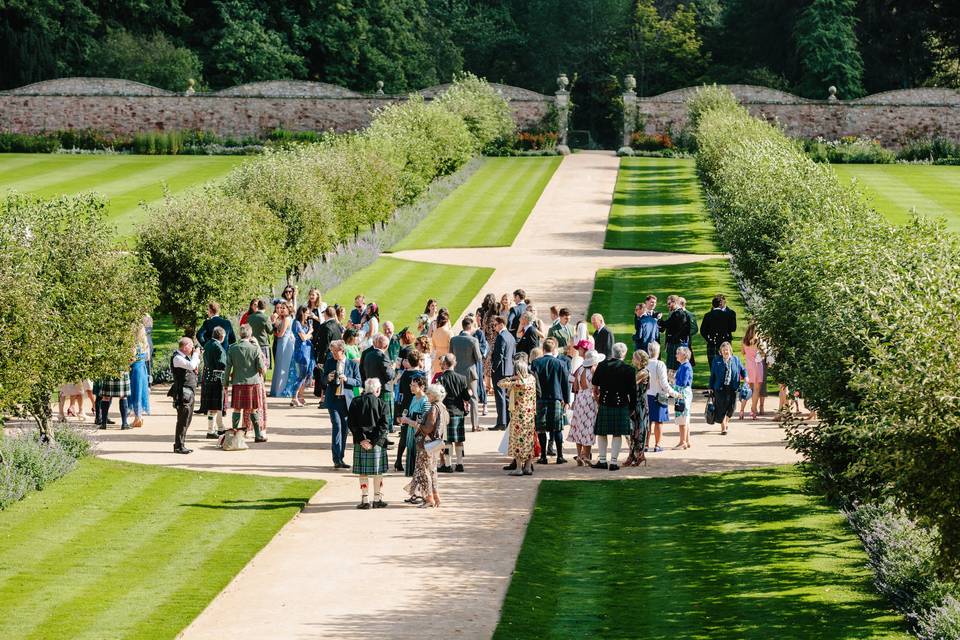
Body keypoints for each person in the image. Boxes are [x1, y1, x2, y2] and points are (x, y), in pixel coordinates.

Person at [590, 342, 636, 471]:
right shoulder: (629, 369)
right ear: (624, 354)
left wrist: (598, 399)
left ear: (612, 352)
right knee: (617, 434)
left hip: (604, 402)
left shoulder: (602, 365)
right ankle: (614, 462)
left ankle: (603, 460)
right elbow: (632, 392)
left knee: (602, 433)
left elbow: (595, 384)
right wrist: (632, 408)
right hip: (621, 404)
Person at [403, 384, 448, 507]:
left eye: (429, 393)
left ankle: (429, 499)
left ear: (434, 395)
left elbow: (428, 427)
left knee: (423, 471)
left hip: (427, 443)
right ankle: (435, 497)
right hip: (436, 443)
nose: (427, 395)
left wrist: (418, 425)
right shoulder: (442, 406)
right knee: (432, 470)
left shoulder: (434, 407)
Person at [349, 378, 390, 509]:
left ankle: (365, 500)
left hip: (360, 442)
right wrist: (373, 441)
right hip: (377, 443)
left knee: (363, 472)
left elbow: (351, 423)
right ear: (377, 390)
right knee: (378, 471)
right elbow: (384, 426)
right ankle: (377, 499)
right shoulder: (382, 403)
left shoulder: (355, 402)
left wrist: (361, 439)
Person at [530, 338, 571, 464]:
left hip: (540, 398)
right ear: (554, 350)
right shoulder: (560, 363)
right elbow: (565, 383)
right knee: (557, 428)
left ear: (543, 349)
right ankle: (559, 456)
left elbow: (533, 382)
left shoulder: (536, 363)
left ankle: (543, 456)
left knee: (541, 429)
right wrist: (566, 399)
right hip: (556, 398)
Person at [225, 325, 268, 444]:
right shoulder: (255, 349)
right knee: (254, 409)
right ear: (250, 335)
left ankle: (234, 434)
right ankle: (258, 435)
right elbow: (261, 368)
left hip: (238, 383)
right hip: (253, 383)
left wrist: (225, 384)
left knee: (237, 409)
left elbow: (228, 367)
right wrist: (263, 370)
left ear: (240, 334)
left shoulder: (233, 348)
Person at [323, 340, 361, 468]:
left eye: (335, 352)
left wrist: (347, 379)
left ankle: (341, 458)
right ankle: (336, 459)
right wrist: (328, 378)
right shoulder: (329, 362)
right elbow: (322, 379)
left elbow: (358, 382)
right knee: (337, 426)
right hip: (333, 400)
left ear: (342, 351)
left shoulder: (352, 365)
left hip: (346, 401)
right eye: (332, 352)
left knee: (344, 429)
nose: (333, 354)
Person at [498, 353, 537, 476]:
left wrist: (511, 378)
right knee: (529, 441)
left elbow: (500, 383)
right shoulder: (531, 379)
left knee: (518, 441)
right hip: (530, 415)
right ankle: (528, 467)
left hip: (518, 415)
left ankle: (519, 468)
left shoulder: (517, 383)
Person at [568, 348, 603, 466]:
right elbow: (595, 389)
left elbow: (576, 386)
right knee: (588, 427)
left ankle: (579, 455)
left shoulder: (580, 369)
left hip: (580, 398)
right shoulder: (594, 370)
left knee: (578, 427)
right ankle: (586, 456)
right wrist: (599, 401)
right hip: (589, 399)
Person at [436, 353, 470, 473]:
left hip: (446, 412)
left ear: (444, 364)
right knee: (459, 440)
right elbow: (466, 397)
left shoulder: (440, 379)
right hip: (458, 411)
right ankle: (460, 464)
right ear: (454, 363)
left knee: (447, 440)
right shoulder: (462, 378)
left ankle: (448, 465)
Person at [394, 351, 427, 472]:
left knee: (404, 435)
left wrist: (398, 412)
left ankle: (398, 460)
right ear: (418, 361)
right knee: (417, 434)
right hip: (417, 406)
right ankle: (414, 462)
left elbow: (400, 393)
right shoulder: (420, 375)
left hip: (405, 407)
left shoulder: (403, 375)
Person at [450, 317, 483, 431]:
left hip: (457, 372)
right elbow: (479, 358)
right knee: (473, 398)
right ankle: (475, 425)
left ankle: (458, 424)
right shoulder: (473, 340)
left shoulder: (454, 340)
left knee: (457, 397)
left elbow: (450, 356)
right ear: (470, 327)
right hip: (470, 372)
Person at [644, 341, 678, 452]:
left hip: (646, 396)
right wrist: (674, 393)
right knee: (658, 421)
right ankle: (657, 445)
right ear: (658, 352)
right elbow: (664, 384)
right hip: (658, 396)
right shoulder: (660, 364)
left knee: (647, 421)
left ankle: (646, 445)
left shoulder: (645, 364)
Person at [169, 336, 200, 453]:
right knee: (183, 419)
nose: (192, 349)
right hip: (183, 393)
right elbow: (192, 365)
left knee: (187, 419)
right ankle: (179, 446)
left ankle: (180, 444)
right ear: (185, 346)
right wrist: (196, 355)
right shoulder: (177, 358)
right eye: (191, 346)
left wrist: (196, 356)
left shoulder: (184, 357)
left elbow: (194, 364)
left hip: (188, 392)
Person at [709, 341, 746, 435]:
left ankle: (726, 420)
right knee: (721, 407)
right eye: (724, 350)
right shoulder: (716, 360)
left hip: (733, 387)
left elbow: (743, 370)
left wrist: (746, 377)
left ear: (730, 350)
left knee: (732, 408)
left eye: (727, 350)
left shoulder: (736, 360)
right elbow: (712, 375)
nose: (726, 352)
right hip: (720, 388)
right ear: (720, 351)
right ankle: (723, 427)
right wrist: (710, 387)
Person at [198, 326, 229, 439]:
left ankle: (220, 427)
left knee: (216, 405)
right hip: (217, 378)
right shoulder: (218, 348)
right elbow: (222, 364)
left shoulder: (207, 344)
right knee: (214, 406)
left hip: (207, 376)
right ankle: (211, 431)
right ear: (221, 336)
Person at [360, 334, 396, 430]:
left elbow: (362, 372)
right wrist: (393, 369)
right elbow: (389, 375)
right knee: (384, 415)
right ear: (385, 346)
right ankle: (384, 437)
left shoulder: (368, 355)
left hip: (371, 389)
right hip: (384, 390)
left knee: (375, 414)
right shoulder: (382, 356)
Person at [283, 305, 314, 406]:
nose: (308, 314)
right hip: (301, 352)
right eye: (307, 313)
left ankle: (299, 396)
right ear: (302, 313)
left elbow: (308, 337)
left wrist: (309, 334)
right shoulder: (296, 323)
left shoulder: (305, 323)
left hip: (307, 351)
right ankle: (293, 397)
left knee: (304, 376)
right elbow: (304, 337)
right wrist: (310, 332)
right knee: (301, 375)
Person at [623, 350, 650, 466]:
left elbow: (631, 384)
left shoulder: (643, 372)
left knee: (639, 431)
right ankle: (633, 454)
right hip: (635, 402)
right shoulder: (638, 371)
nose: (632, 359)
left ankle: (638, 455)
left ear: (639, 360)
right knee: (632, 430)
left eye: (634, 358)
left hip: (640, 405)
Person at [658, 295, 697, 375]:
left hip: (676, 343)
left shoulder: (677, 313)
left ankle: (673, 385)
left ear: (675, 302)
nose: (668, 306)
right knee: (678, 367)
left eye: (669, 304)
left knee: (673, 368)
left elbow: (666, 324)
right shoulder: (680, 313)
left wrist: (659, 319)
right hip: (679, 343)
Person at [399, 375, 428, 478]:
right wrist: (405, 419)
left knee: (419, 468)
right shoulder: (413, 398)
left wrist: (407, 420)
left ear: (422, 387)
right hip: (411, 434)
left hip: (419, 437)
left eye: (414, 385)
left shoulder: (425, 401)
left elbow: (423, 424)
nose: (411, 387)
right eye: (411, 385)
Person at [491, 316, 516, 431]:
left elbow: (499, 355)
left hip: (500, 371)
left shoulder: (501, 336)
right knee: (506, 397)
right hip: (509, 370)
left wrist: (494, 368)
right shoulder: (511, 336)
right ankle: (506, 420)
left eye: (495, 325)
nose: (494, 327)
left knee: (500, 396)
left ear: (501, 324)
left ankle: (501, 422)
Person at [312, 305, 343, 392]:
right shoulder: (338, 325)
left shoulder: (325, 326)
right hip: (337, 355)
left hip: (328, 356)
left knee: (325, 378)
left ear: (326, 314)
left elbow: (324, 345)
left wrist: (320, 360)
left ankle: (323, 399)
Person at [701, 294, 737, 367]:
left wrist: (709, 339)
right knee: (727, 365)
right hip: (725, 342)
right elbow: (733, 328)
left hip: (712, 343)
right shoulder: (727, 315)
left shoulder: (708, 315)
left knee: (713, 366)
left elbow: (703, 331)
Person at [740, 320, 765, 420]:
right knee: (756, 389)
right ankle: (753, 411)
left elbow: (742, 352)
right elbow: (763, 354)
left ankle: (742, 410)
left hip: (748, 365)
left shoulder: (744, 340)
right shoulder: (758, 340)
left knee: (747, 389)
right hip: (757, 365)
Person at [270, 301, 294, 397]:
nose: (282, 310)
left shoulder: (287, 319)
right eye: (282, 308)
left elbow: (281, 334)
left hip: (284, 343)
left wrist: (274, 332)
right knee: (280, 365)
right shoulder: (286, 318)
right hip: (283, 343)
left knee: (282, 366)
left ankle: (280, 390)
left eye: (284, 308)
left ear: (288, 309)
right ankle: (278, 390)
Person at [128, 326, 151, 428]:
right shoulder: (145, 343)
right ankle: (139, 417)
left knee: (135, 393)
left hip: (135, 368)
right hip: (142, 368)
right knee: (141, 392)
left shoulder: (134, 343)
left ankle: (137, 418)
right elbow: (148, 357)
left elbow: (132, 358)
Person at [673, 346, 694, 449]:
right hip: (683, 393)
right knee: (685, 418)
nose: (676, 355)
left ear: (684, 355)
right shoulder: (683, 366)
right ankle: (686, 440)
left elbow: (683, 382)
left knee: (682, 419)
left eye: (678, 353)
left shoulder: (686, 366)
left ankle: (683, 442)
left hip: (682, 394)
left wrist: (673, 381)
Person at [246, 300, 275, 369]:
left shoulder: (250, 317)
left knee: (252, 367)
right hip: (263, 345)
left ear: (258, 307)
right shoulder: (265, 318)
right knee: (263, 367)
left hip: (251, 344)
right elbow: (270, 331)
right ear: (266, 307)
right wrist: (273, 323)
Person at [430, 308, 454, 374]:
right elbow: (452, 346)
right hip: (447, 358)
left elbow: (433, 347)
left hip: (437, 358)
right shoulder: (449, 332)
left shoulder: (435, 332)